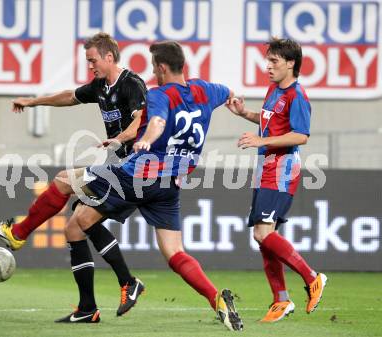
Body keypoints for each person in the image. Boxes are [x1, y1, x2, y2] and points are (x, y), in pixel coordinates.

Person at [61, 40, 244, 332]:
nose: (152, 72)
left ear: (160, 68)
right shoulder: (207, 90)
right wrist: (238, 107)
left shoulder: (160, 93)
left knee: (67, 191)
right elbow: (231, 94)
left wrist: (146, 137)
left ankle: (19, 233)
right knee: (175, 252)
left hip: (140, 176)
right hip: (170, 184)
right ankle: (216, 299)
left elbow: (157, 121)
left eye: (153, 67)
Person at [0, 32, 146, 322]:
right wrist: (33, 102)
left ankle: (17, 234)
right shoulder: (100, 87)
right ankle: (89, 308)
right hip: (120, 168)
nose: (90, 65)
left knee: (63, 181)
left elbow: (140, 122)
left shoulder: (132, 84)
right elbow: (70, 96)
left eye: (93, 60)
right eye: (87, 61)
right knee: (75, 227)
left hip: (134, 169)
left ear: (109, 57)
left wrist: (119, 139)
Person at [226, 38, 327, 323]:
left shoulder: (298, 95)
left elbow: (301, 135)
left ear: (291, 63)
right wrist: (245, 113)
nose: (268, 67)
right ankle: (280, 300)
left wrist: (263, 140)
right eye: (268, 60)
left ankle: (312, 277)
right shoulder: (274, 90)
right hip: (265, 167)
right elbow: (269, 120)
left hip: (282, 168)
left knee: (262, 233)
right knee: (264, 238)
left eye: (274, 62)